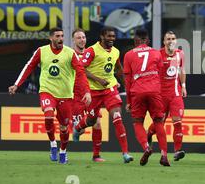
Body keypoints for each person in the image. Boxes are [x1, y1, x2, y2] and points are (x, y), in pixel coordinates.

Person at [8, 27, 91, 164]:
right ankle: (53, 144)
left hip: (65, 95)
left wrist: (87, 91)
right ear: (51, 38)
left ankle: (63, 151)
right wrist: (17, 84)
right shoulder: (42, 51)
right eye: (57, 36)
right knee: (48, 114)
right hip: (47, 91)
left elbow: (81, 72)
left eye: (62, 36)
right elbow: (29, 66)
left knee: (64, 127)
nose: (60, 39)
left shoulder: (70, 53)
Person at [72, 27, 133, 164]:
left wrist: (126, 84)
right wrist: (98, 79)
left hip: (109, 89)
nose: (111, 39)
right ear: (102, 37)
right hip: (93, 91)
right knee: (92, 121)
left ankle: (125, 153)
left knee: (117, 117)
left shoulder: (116, 51)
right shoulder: (92, 50)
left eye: (113, 36)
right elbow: (81, 69)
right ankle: (77, 128)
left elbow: (117, 68)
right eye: (109, 36)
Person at [123, 28, 170, 166]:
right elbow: (161, 76)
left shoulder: (128, 55)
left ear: (135, 41)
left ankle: (146, 147)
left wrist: (129, 101)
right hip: (155, 90)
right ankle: (164, 155)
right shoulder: (156, 53)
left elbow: (127, 81)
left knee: (138, 122)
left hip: (137, 91)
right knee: (158, 122)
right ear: (148, 40)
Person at [147, 31, 187, 162]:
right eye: (168, 39)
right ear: (164, 42)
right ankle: (149, 134)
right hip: (160, 95)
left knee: (178, 121)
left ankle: (178, 150)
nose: (171, 41)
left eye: (173, 38)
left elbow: (182, 70)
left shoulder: (180, 54)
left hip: (175, 93)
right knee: (160, 123)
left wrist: (184, 86)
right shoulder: (157, 54)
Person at [71, 28, 104, 162]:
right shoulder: (69, 54)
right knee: (80, 130)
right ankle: (62, 151)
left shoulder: (91, 54)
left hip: (91, 94)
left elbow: (99, 71)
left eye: (83, 37)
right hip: (75, 96)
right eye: (78, 38)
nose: (82, 40)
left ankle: (96, 155)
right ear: (73, 40)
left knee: (97, 123)